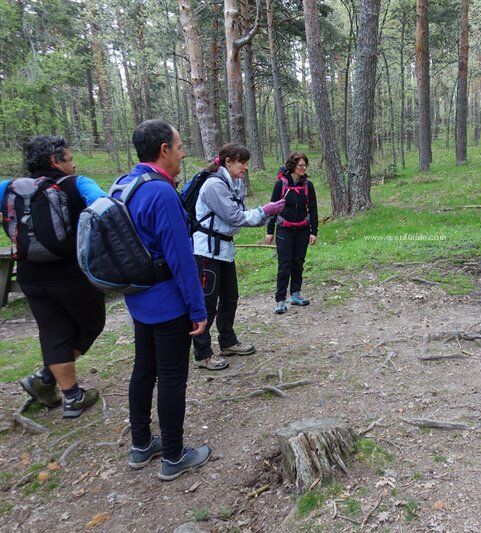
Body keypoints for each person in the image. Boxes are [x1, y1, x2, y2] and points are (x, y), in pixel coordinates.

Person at [115, 120, 210, 481]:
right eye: (180, 145)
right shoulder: (161, 193)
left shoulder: (124, 184)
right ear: (164, 150)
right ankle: (173, 454)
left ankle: (141, 445)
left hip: (138, 298)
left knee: (144, 369)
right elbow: (181, 259)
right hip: (168, 302)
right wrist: (197, 309)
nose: (183, 153)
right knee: (171, 377)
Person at [0, 136, 106, 418]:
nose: (73, 164)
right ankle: (49, 379)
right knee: (92, 323)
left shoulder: (9, 188)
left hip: (30, 274)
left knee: (53, 331)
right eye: (69, 159)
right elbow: (105, 206)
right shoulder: (77, 184)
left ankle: (68, 394)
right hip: (71, 273)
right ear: (55, 161)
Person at [191, 144, 284, 371]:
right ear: (227, 162)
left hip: (225, 250)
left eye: (246, 162)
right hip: (206, 253)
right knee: (207, 303)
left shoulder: (234, 184)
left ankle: (228, 341)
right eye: (241, 162)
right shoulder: (214, 185)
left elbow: (240, 215)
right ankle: (202, 354)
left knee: (230, 297)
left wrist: (266, 215)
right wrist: (265, 211)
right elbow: (234, 217)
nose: (245, 167)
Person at [266, 153, 318, 315]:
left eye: (305, 165)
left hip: (302, 229)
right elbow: (272, 208)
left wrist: (313, 231)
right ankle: (280, 300)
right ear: (292, 166)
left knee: (298, 262)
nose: (303, 168)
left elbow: (313, 209)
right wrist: (270, 231)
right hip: (284, 229)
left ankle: (295, 294)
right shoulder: (280, 185)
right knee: (284, 265)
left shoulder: (308, 185)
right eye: (300, 165)